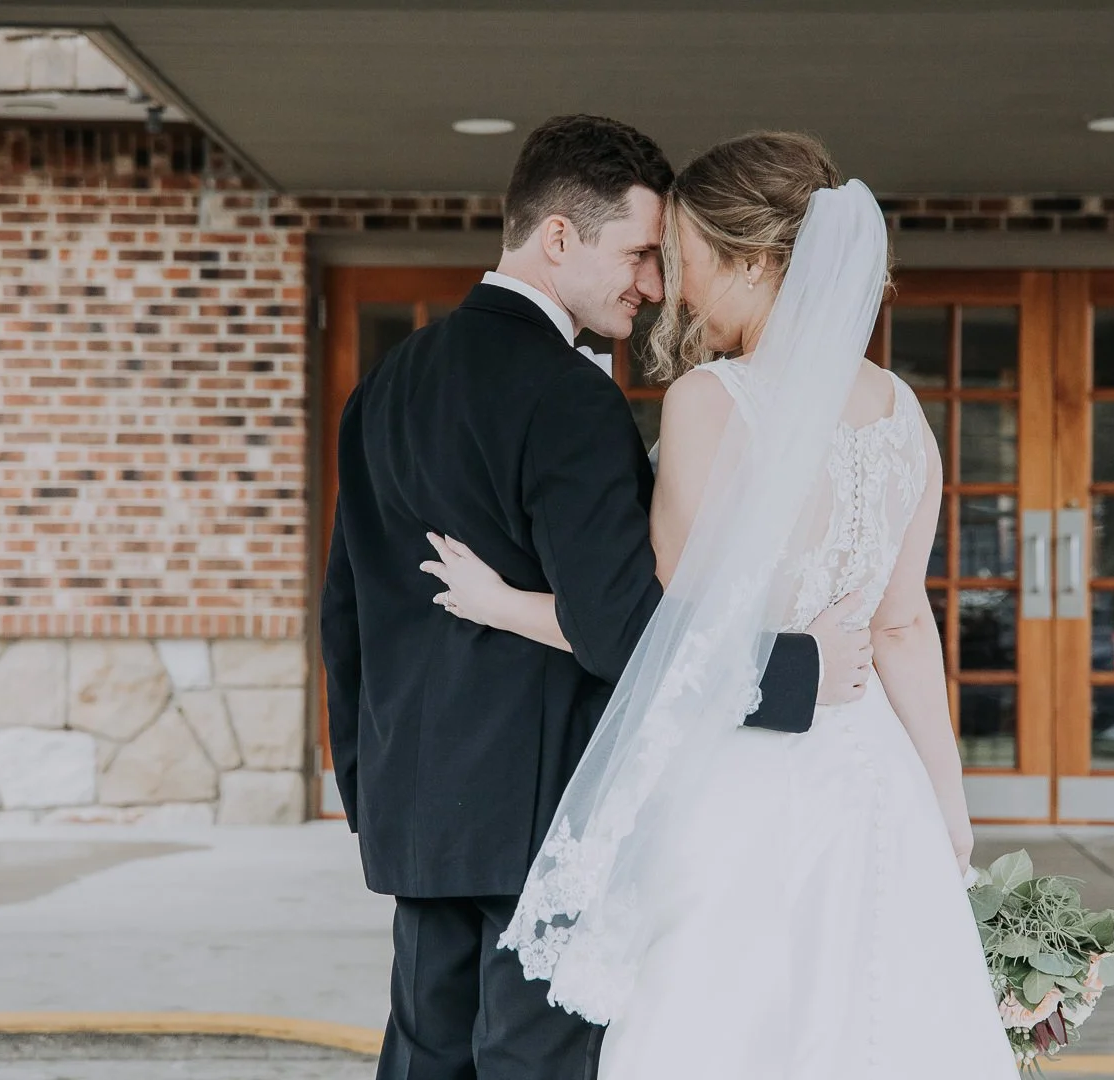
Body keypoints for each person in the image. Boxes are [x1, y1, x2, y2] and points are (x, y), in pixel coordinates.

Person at [424, 132, 1019, 1079]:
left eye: (687, 256)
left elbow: (661, 633)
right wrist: (950, 807)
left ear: (750, 260)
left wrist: (503, 605)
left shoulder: (712, 400)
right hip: (876, 777)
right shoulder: (907, 416)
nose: (674, 283)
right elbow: (904, 629)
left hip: (738, 777)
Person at [320, 115, 876, 1080]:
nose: (653, 286)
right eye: (638, 254)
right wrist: (801, 670)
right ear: (560, 237)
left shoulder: (388, 381)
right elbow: (624, 630)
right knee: (531, 1066)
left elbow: (346, 615)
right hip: (545, 814)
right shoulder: (567, 396)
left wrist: (374, 792)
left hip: (418, 808)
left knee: (423, 1059)